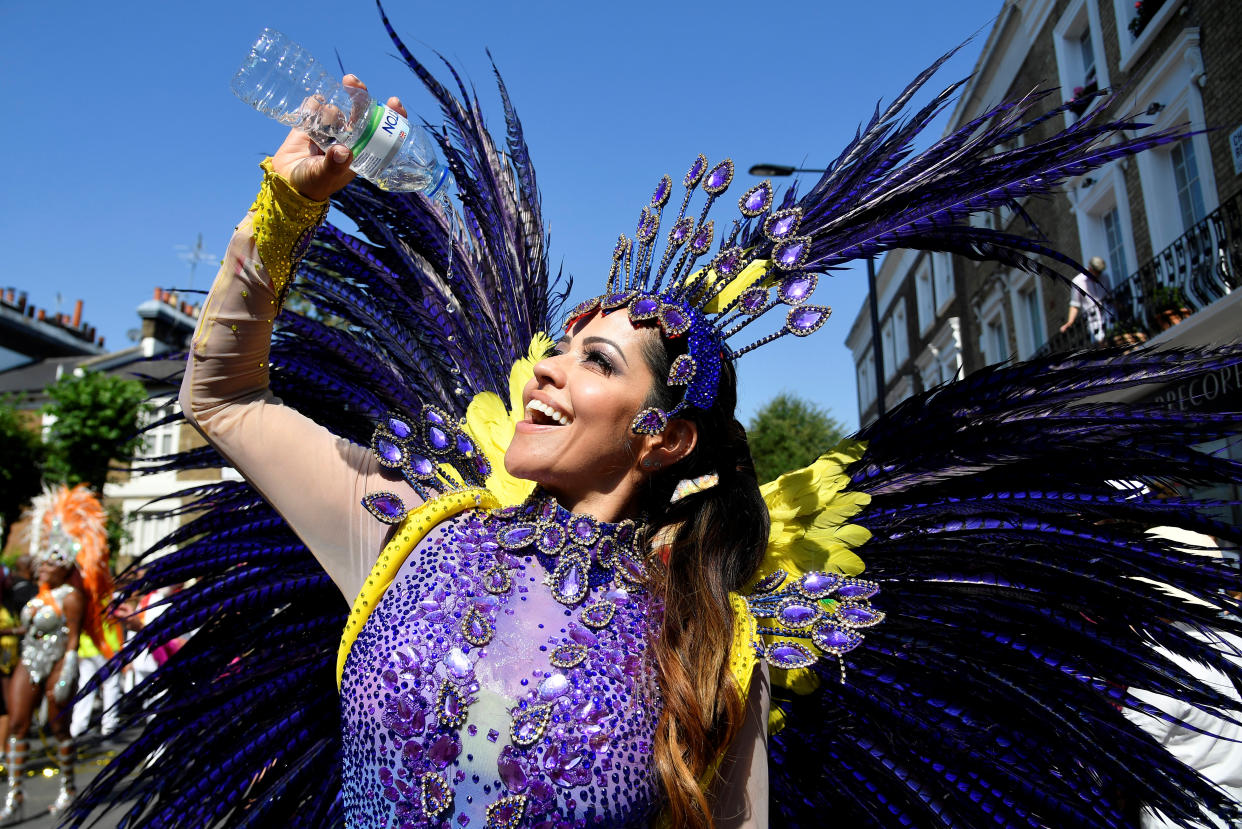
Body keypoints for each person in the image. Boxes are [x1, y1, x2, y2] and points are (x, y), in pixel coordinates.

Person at [69, 26, 1242, 829]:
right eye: (555, 349)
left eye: (595, 360)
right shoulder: (408, 539)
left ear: (663, 437)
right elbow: (223, 395)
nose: (545, 371)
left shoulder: (708, 644)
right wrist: (284, 211)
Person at [2, 486, 112, 822]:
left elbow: (73, 637)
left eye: (51, 565)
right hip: (30, 660)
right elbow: (32, 630)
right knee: (19, 724)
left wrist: (67, 669)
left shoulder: (70, 597)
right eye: (43, 565)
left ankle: (68, 787)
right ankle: (15, 796)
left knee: (58, 728)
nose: (43, 569)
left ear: (64, 568)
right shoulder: (37, 596)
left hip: (58, 664)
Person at [1060, 255, 1112, 343]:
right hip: (1093, 320)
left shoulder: (1105, 277)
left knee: (1116, 339)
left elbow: (1109, 296)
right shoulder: (1078, 281)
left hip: (1108, 315)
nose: (1099, 274)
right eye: (1097, 272)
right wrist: (1070, 322)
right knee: (1102, 343)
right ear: (1090, 269)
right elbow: (1075, 305)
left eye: (1100, 272)